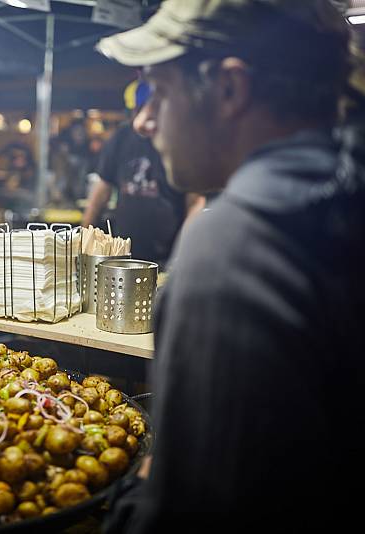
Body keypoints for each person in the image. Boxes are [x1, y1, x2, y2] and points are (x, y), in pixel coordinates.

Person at [96, 1, 364, 532]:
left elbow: (193, 512)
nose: (144, 121)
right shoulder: (341, 196)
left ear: (228, 89)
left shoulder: (238, 250)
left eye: (161, 92)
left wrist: (144, 482)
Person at [81, 81, 204, 264]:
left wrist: (182, 255)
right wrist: (83, 243)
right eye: (137, 111)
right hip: (122, 256)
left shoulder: (179, 141)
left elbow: (195, 202)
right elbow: (100, 192)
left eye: (150, 111)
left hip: (164, 259)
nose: (140, 122)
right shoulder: (122, 137)